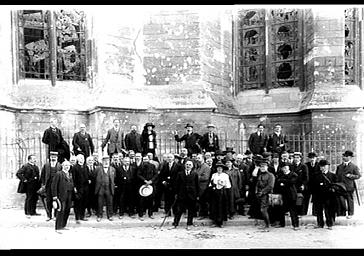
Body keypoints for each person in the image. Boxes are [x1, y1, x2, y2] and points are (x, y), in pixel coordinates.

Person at [171, 159, 200, 230]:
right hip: (182, 194)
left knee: (191, 210)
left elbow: (197, 185)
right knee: (179, 210)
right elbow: (176, 185)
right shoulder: (180, 174)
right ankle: (175, 223)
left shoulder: (195, 174)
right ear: (184, 165)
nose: (188, 166)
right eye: (187, 164)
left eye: (190, 165)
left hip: (191, 195)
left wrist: (197, 195)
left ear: (192, 166)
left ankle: (189, 223)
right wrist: (176, 193)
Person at [336, 150, 361, 219]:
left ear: (350, 157)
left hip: (349, 186)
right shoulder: (339, 167)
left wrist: (350, 176)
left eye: (346, 156)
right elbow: (336, 176)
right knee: (341, 199)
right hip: (340, 186)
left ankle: (350, 213)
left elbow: (358, 175)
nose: (344, 157)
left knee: (349, 200)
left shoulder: (354, 167)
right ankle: (342, 212)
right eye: (343, 156)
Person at [313, 159, 337, 230]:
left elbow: (335, 185)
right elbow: (313, 186)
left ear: (328, 167)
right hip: (319, 196)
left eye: (324, 166)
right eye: (321, 166)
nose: (323, 168)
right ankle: (320, 224)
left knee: (329, 211)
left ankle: (330, 224)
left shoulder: (332, 176)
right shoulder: (316, 175)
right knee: (319, 211)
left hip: (329, 196)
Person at [274, 163, 299, 230]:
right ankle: (282, 224)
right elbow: (278, 182)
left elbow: (291, 182)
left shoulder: (294, 174)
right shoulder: (280, 175)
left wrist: (283, 182)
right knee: (281, 210)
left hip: (291, 195)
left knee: (293, 211)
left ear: (288, 168)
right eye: (283, 168)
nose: (284, 169)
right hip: (283, 195)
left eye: (285, 167)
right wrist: (283, 182)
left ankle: (295, 225)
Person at [51, 160, 74, 233]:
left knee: (67, 210)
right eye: (65, 165)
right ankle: (58, 227)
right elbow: (54, 186)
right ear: (62, 166)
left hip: (69, 195)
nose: (67, 167)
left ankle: (63, 225)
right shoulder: (59, 174)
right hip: (61, 196)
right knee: (60, 211)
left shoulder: (70, 174)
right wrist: (54, 196)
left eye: (68, 166)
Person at [40, 151, 62, 221]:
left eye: (54, 157)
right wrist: (43, 184)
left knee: (56, 200)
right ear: (50, 157)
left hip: (56, 186)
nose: (53, 158)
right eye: (52, 157)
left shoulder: (60, 165)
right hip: (48, 186)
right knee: (48, 201)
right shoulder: (46, 165)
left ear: (57, 158)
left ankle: (55, 215)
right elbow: (42, 175)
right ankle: (49, 215)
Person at [209, 162, 231, 228]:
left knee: (221, 207)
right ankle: (215, 222)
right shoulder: (214, 175)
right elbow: (210, 184)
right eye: (218, 168)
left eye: (220, 168)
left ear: (222, 169)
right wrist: (214, 186)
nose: (219, 169)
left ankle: (220, 222)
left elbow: (228, 185)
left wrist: (223, 186)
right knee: (214, 207)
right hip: (215, 192)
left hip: (222, 193)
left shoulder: (225, 175)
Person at [255, 158, 275, 232]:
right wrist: (257, 192)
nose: (262, 168)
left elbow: (270, 186)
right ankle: (266, 224)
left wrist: (262, 192)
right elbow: (257, 184)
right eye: (261, 167)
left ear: (267, 167)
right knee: (262, 210)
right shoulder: (260, 175)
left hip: (267, 195)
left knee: (263, 210)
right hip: (259, 195)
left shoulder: (271, 175)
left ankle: (267, 225)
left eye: (264, 167)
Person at [137, 156, 159, 220]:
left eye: (146, 159)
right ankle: (141, 215)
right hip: (142, 185)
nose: (145, 160)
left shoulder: (153, 166)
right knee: (141, 201)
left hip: (151, 185)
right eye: (144, 159)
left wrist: (151, 181)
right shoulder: (140, 166)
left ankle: (150, 214)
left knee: (151, 201)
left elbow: (156, 174)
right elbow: (138, 175)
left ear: (149, 159)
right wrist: (145, 181)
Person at [95, 156, 115, 222]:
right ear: (102, 162)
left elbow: (114, 178)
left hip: (109, 188)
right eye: (104, 161)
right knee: (99, 202)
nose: (106, 162)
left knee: (110, 202)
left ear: (109, 162)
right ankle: (99, 215)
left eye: (107, 161)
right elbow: (94, 177)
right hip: (100, 188)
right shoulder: (98, 169)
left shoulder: (113, 169)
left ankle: (110, 215)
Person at [71, 154, 90, 223]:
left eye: (83, 158)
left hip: (85, 188)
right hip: (78, 188)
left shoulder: (86, 167)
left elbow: (88, 176)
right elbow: (73, 178)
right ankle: (77, 217)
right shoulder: (75, 167)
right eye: (81, 158)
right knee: (78, 203)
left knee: (84, 202)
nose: (82, 159)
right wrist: (74, 187)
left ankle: (82, 216)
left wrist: (88, 180)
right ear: (78, 159)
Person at [195, 154, 212, 219]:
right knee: (200, 201)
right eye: (197, 158)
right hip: (198, 186)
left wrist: (196, 177)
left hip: (203, 187)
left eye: (199, 158)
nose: (197, 159)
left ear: (203, 159)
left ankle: (204, 214)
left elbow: (205, 177)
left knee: (203, 201)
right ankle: (200, 213)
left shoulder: (206, 167)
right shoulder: (198, 166)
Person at [304, 152, 320, 216]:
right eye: (310, 158)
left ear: (316, 158)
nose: (312, 159)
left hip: (316, 185)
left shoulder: (318, 165)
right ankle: (304, 212)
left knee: (316, 199)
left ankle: (315, 212)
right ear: (308, 158)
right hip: (308, 184)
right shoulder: (305, 165)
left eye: (313, 158)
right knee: (306, 198)